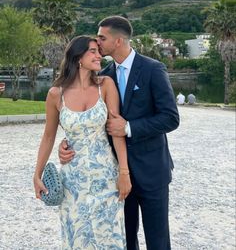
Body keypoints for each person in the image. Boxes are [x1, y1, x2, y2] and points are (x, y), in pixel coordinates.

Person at [59, 17, 179, 250]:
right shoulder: (103, 77)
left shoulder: (153, 69)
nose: (98, 42)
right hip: (115, 175)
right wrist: (67, 143)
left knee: (158, 240)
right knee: (125, 239)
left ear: (118, 40)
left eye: (102, 38)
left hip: (152, 170)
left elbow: (171, 118)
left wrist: (129, 128)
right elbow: (91, 121)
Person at [33, 36, 131, 249]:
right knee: (77, 237)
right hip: (72, 181)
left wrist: (124, 173)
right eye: (93, 52)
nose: (99, 56)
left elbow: (116, 132)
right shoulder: (55, 94)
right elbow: (48, 136)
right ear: (78, 57)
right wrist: (37, 174)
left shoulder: (105, 85)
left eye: (98, 51)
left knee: (109, 236)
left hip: (106, 176)